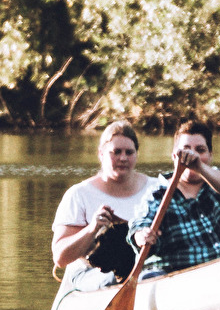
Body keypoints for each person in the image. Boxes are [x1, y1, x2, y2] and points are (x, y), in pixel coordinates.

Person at [129, 120, 220, 276]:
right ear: (174, 156)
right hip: (188, 281)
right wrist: (142, 235)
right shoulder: (157, 195)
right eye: (185, 150)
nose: (192, 155)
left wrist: (200, 167)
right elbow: (140, 225)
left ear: (210, 156)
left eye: (200, 150)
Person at [52, 121, 158, 291]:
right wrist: (92, 229)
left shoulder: (156, 189)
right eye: (116, 152)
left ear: (136, 155)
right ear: (101, 154)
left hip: (147, 270)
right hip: (89, 273)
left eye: (129, 152)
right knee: (117, 277)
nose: (123, 158)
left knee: (150, 275)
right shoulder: (79, 194)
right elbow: (60, 258)